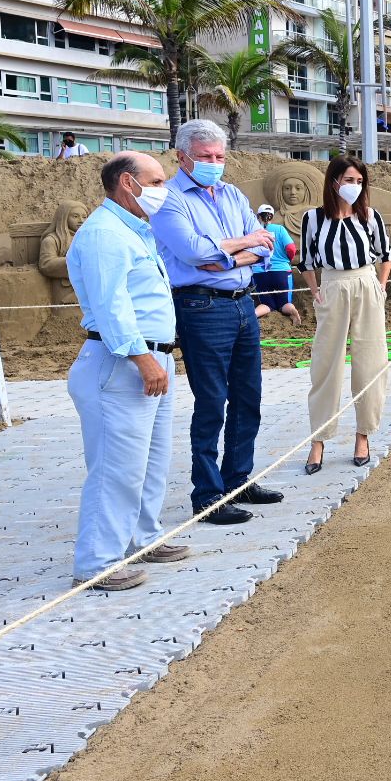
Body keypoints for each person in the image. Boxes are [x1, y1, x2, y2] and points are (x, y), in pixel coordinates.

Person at [65, 152, 190, 591]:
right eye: (156, 181)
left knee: (151, 461)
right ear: (127, 183)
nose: (164, 189)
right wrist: (142, 358)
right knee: (116, 468)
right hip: (121, 364)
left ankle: (144, 538)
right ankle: (97, 562)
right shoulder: (104, 234)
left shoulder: (134, 231)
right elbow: (111, 305)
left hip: (151, 360)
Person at [149, 119, 282, 526]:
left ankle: (239, 479)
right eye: (205, 157)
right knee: (211, 403)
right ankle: (208, 495)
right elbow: (191, 253)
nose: (214, 163)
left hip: (243, 304)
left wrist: (228, 254)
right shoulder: (168, 198)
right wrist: (243, 247)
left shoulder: (234, 194)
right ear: (182, 156)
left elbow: (265, 245)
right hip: (201, 307)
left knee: (249, 397)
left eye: (219, 156)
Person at [298, 155, 391, 475]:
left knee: (370, 362)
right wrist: (315, 292)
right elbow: (307, 261)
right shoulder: (313, 218)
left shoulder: (371, 217)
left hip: (366, 283)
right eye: (348, 180)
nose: (354, 186)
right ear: (333, 181)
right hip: (332, 285)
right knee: (325, 364)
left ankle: (363, 435)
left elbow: (386, 255)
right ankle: (318, 439)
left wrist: (380, 286)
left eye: (359, 181)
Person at [251, 203, 300, 325]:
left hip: (259, 273)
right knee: (284, 302)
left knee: (266, 303)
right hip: (281, 271)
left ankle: (253, 316)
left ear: (258, 216)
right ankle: (292, 311)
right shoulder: (279, 229)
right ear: (272, 216)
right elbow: (291, 248)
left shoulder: (252, 232)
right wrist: (288, 258)